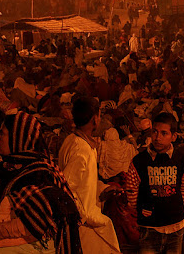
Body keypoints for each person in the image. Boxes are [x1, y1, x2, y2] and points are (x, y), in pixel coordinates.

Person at [0, 111, 82, 253]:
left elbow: (36, 223)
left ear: (18, 138)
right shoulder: (6, 169)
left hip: (39, 243)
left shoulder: (39, 173)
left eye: (3, 134)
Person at [58, 97, 121, 253]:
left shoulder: (75, 141)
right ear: (95, 119)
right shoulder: (81, 149)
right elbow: (67, 188)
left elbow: (84, 183)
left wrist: (102, 189)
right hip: (83, 225)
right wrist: (85, 217)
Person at [125, 112, 184, 254]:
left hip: (175, 227)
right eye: (154, 132)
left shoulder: (181, 159)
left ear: (173, 137)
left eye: (164, 133)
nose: (157, 137)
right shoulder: (139, 161)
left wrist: (177, 208)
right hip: (149, 228)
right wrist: (140, 210)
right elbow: (131, 189)